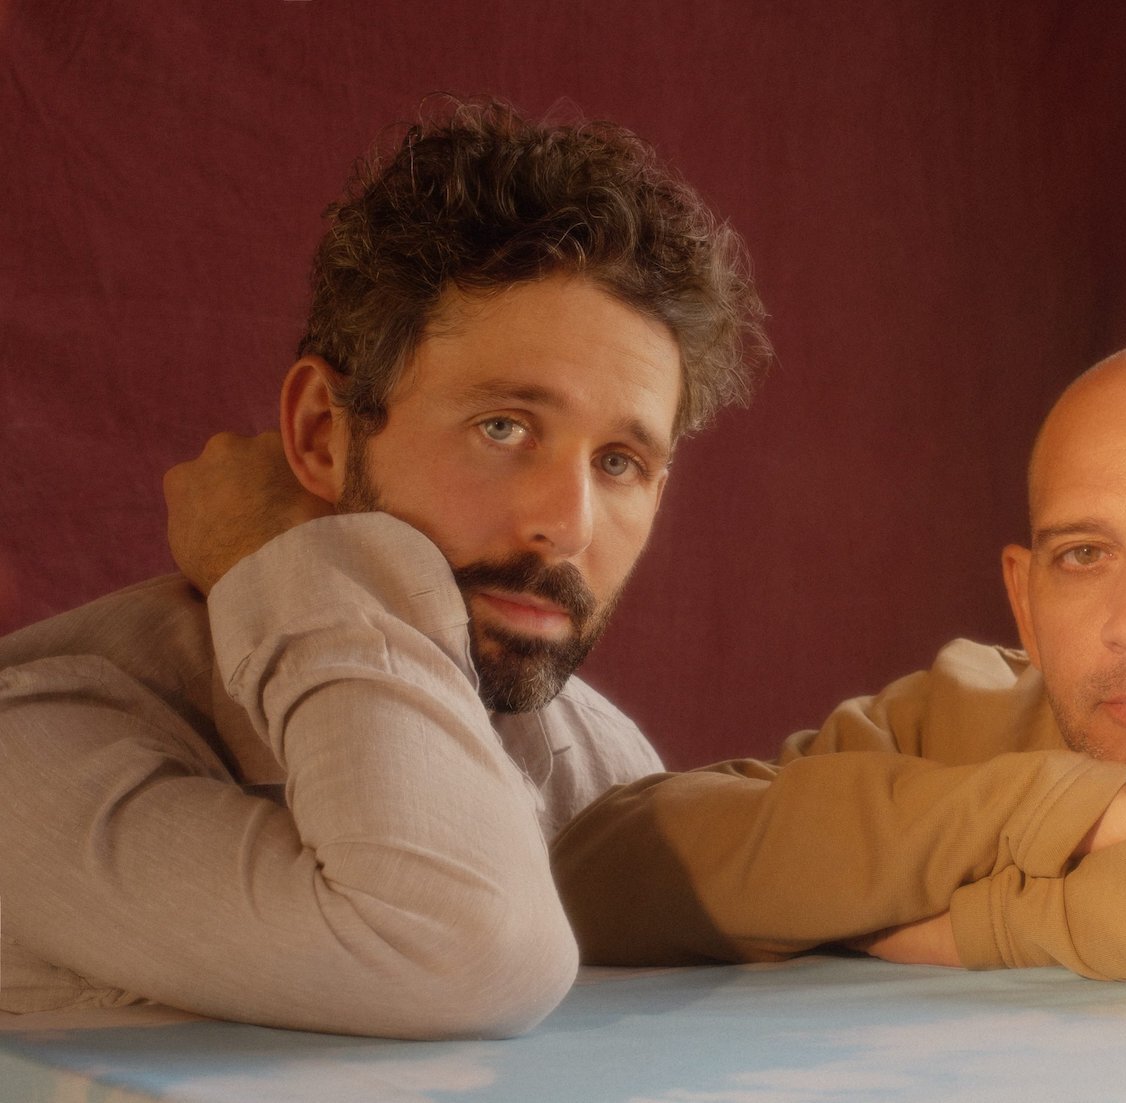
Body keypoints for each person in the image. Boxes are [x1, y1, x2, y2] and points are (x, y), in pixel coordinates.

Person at [0, 98, 766, 1038]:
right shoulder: (33, 751)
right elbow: (466, 949)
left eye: (619, 462)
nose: (566, 525)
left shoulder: (589, 760)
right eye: (503, 427)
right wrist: (269, 549)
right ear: (321, 434)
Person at [552, 333, 1126, 999]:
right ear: (1025, 604)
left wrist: (998, 921)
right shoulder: (959, 722)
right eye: (1084, 554)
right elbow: (606, 871)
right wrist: (1067, 808)